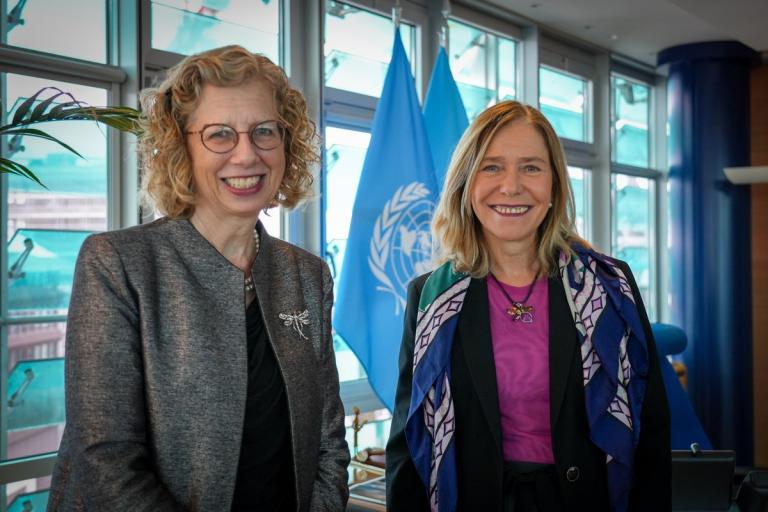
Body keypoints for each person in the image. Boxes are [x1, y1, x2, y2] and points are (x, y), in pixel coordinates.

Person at [47, 45, 349, 511]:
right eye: (220, 134)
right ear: (180, 147)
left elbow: (328, 442)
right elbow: (105, 460)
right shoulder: (117, 264)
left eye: (264, 131)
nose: (246, 154)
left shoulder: (307, 275)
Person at [386, 101, 670, 511]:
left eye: (532, 167)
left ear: (554, 185)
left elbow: (652, 432)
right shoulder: (431, 297)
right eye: (492, 167)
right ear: (466, 184)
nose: (511, 186)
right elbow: (406, 446)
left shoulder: (611, 287)